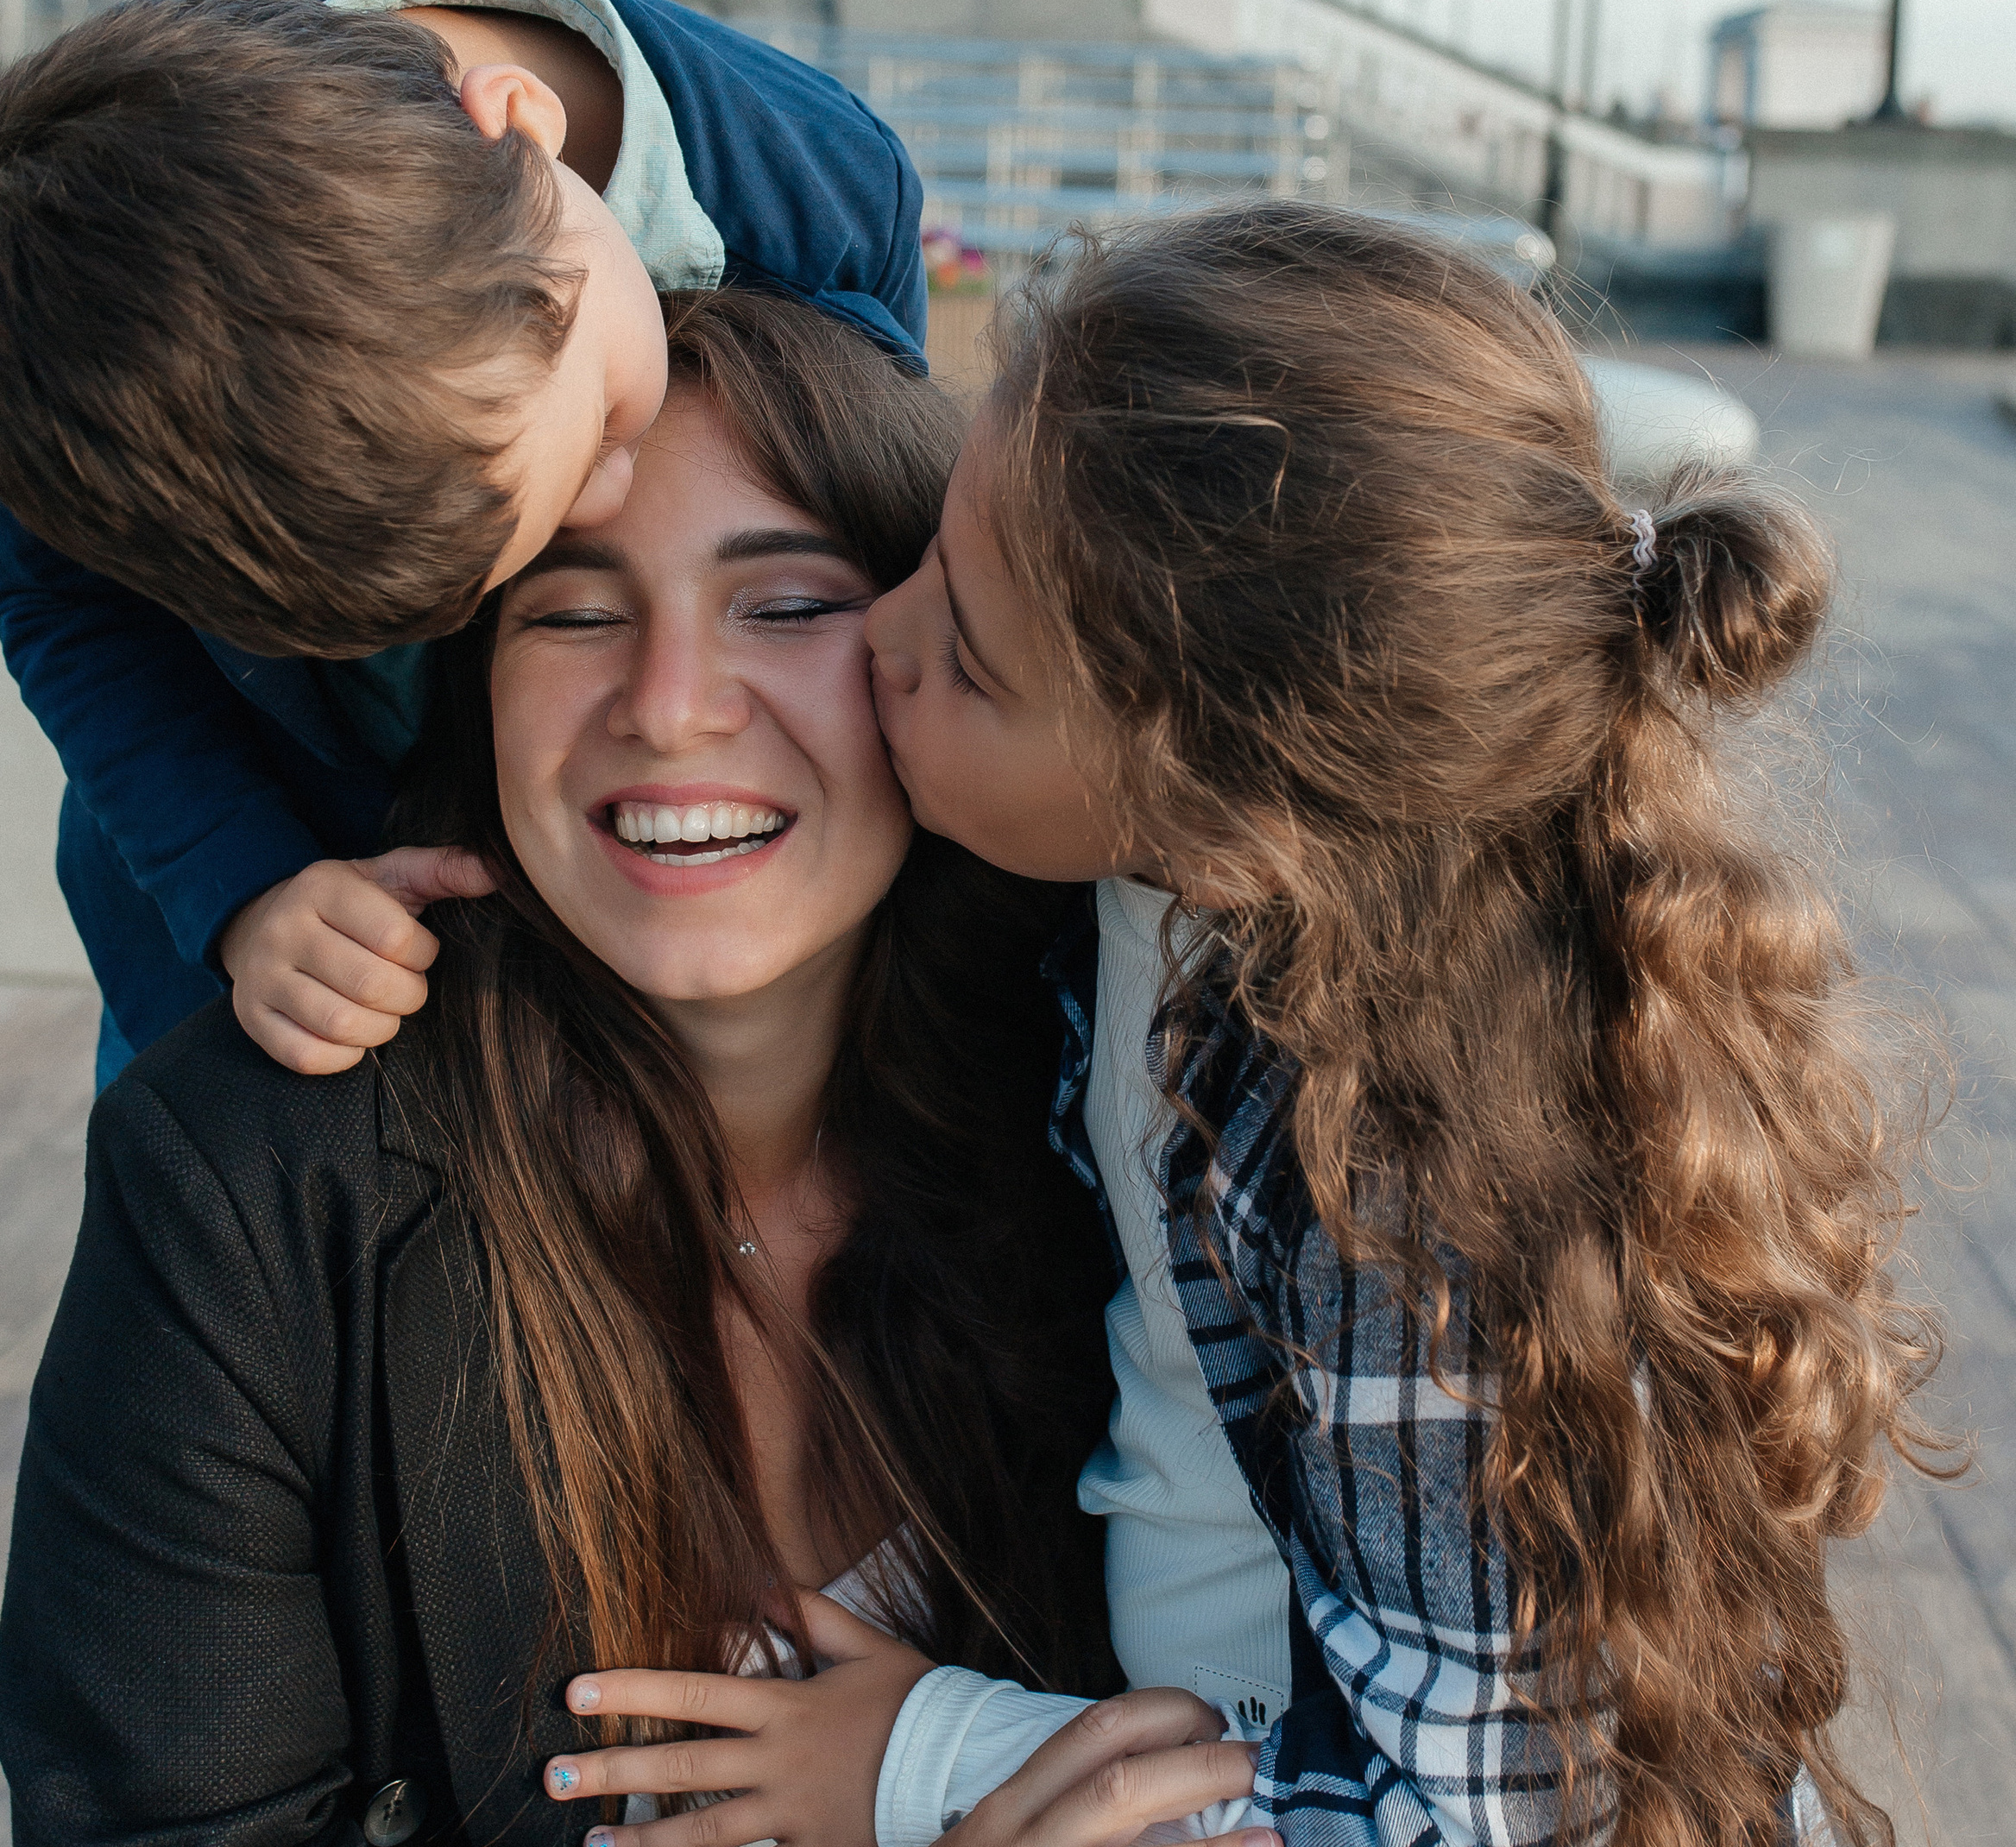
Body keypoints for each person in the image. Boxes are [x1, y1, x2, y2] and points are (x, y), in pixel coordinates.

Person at [563, 205, 1944, 1847]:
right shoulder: (1213, 856)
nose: (882, 632)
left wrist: (926, 1764)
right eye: (933, 547)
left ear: (1221, 816)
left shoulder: (1397, 1192)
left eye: (973, 662)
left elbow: (1483, 1824)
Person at [0, 293, 1165, 1847]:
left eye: (787, 605)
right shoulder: (240, 1190)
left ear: (943, 659)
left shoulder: (1137, 1134)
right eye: (572, 613)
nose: (672, 708)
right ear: (471, 689)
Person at [0, 0, 927, 1090]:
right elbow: (66, 607)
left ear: (522, 127)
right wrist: (241, 887)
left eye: (597, 426)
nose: (606, 499)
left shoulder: (824, 185)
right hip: (289, 935)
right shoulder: (73, 335)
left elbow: (880, 525)